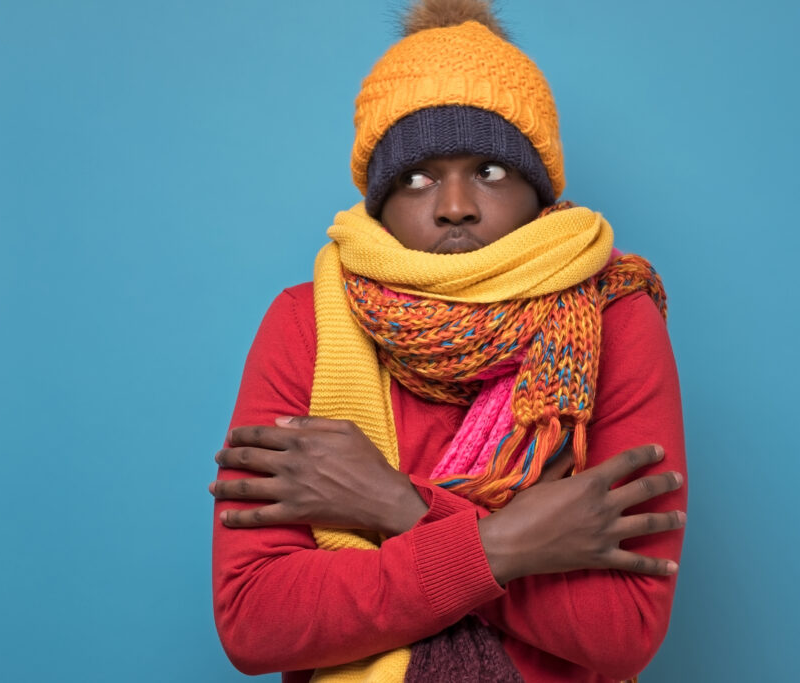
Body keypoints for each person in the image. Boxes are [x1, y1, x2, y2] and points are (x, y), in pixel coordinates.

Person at [209, 1, 688, 680]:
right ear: (379, 199)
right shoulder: (306, 323)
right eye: (417, 176)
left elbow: (622, 630)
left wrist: (398, 505)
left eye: (490, 171)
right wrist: (505, 544)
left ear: (539, 190)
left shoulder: (614, 317)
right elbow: (256, 619)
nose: (455, 204)